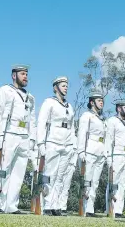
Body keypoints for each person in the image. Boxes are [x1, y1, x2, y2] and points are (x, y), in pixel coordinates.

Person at [0, 64, 37, 214]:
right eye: (22, 74)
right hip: (9, 133)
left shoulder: (30, 97)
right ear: (14, 75)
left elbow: (32, 119)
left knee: (19, 173)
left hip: (24, 135)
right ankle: (0, 204)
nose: (25, 77)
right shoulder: (5, 90)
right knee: (4, 170)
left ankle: (12, 206)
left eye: (26, 74)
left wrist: (32, 139)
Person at [35, 76, 75, 216]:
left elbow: (72, 127)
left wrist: (73, 146)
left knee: (61, 176)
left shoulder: (69, 106)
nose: (66, 87)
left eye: (66, 85)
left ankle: (55, 205)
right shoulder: (49, 102)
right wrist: (40, 143)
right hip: (53, 141)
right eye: (63, 85)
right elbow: (41, 122)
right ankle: (47, 205)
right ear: (55, 87)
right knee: (50, 175)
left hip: (67, 143)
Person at [76, 89, 107, 217]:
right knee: (87, 180)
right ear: (92, 102)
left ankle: (90, 208)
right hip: (89, 151)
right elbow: (82, 134)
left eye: (102, 101)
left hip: (100, 152)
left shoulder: (101, 119)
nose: (101, 103)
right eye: (99, 101)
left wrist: (105, 152)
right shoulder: (86, 116)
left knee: (95, 182)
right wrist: (81, 151)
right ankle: (83, 207)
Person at [105, 100, 125, 218]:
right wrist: (108, 157)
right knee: (113, 182)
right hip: (116, 154)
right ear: (118, 109)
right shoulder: (112, 121)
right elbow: (108, 140)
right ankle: (109, 209)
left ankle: (118, 210)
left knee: (123, 183)